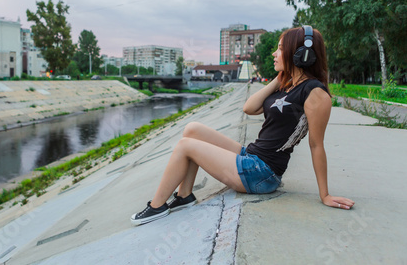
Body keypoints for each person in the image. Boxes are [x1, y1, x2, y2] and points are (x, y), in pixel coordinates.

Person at [130, 26, 355, 226]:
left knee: (185, 146)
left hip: (263, 173)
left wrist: (324, 195)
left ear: (301, 55)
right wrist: (280, 77)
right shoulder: (286, 84)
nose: (274, 53)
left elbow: (317, 145)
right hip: (252, 155)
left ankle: (157, 206)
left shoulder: (315, 93)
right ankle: (184, 196)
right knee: (192, 129)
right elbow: (249, 108)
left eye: (279, 48)